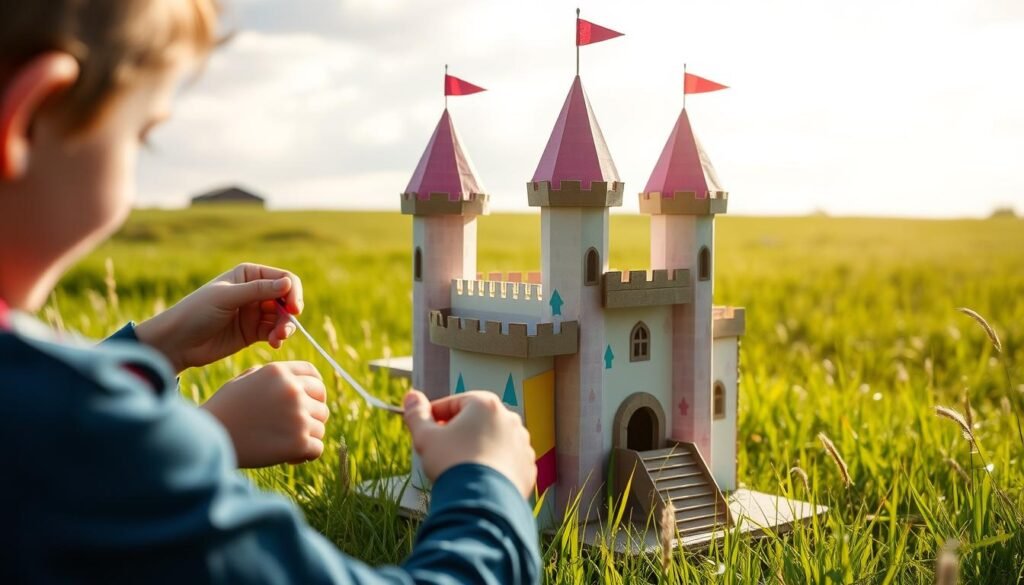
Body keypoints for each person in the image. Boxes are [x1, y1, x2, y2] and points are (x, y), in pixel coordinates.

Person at [0, 1, 541, 583]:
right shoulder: (97, 433)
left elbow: (46, 461)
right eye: (142, 134)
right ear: (31, 118)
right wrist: (488, 486)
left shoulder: (44, 416)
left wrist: (160, 346)